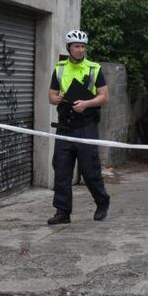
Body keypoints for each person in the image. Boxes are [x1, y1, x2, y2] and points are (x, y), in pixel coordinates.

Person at [47, 29, 110, 225]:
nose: (80, 50)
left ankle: (102, 202)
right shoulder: (59, 68)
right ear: (69, 48)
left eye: (83, 46)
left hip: (86, 125)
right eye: (77, 46)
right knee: (62, 170)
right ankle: (62, 212)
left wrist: (86, 104)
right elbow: (51, 96)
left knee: (90, 170)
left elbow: (104, 97)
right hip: (65, 126)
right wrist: (56, 98)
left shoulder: (94, 68)